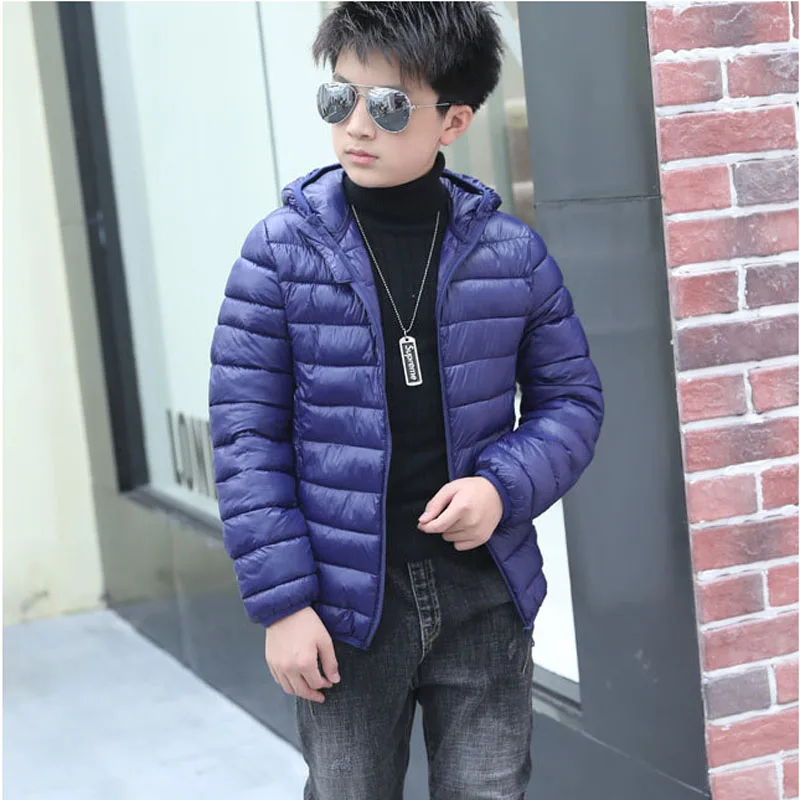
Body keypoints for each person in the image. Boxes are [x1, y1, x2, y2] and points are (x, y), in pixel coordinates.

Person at [208, 3, 604, 798]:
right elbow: (246, 436)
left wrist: (501, 487)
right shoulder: (277, 254)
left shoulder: (512, 254)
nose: (356, 125)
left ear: (454, 120)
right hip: (341, 602)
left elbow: (571, 400)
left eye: (389, 105)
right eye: (339, 97)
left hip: (483, 589)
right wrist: (283, 606)